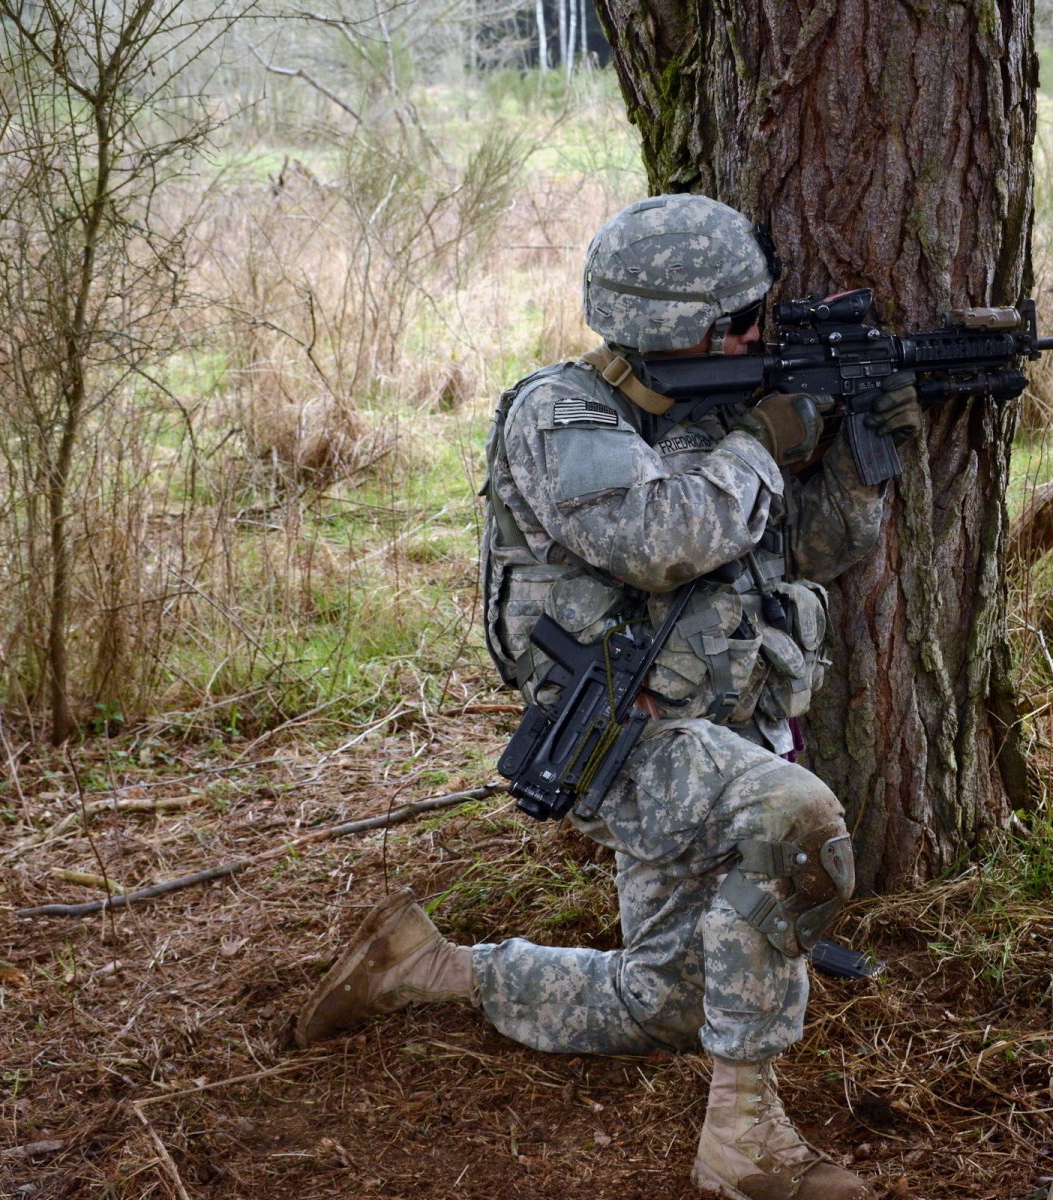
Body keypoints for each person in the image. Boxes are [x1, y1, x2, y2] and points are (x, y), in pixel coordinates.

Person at [293, 193, 919, 1200]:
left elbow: (805, 548)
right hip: (622, 740)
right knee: (799, 822)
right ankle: (745, 1148)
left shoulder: (710, 412)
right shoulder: (561, 414)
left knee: (666, 1004)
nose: (760, 332)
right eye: (742, 318)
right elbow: (661, 542)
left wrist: (852, 462)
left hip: (715, 735)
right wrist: (762, 441)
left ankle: (429, 967)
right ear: (678, 327)